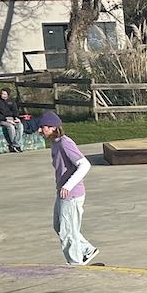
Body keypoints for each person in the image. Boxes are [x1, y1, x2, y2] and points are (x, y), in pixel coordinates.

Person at [38, 110, 99, 266]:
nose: (40, 131)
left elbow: (85, 165)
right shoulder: (55, 143)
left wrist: (68, 185)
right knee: (59, 226)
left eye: (42, 127)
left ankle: (75, 264)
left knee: (67, 232)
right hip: (63, 193)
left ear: (52, 127)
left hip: (71, 194)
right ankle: (86, 250)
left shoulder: (65, 143)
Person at [0, 87, 25, 153]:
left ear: (8, 95)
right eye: (1, 94)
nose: (2, 95)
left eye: (4, 94)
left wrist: (17, 118)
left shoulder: (11, 100)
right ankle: (16, 145)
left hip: (11, 117)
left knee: (20, 126)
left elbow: (15, 110)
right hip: (1, 119)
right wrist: (6, 119)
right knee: (11, 127)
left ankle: (15, 144)